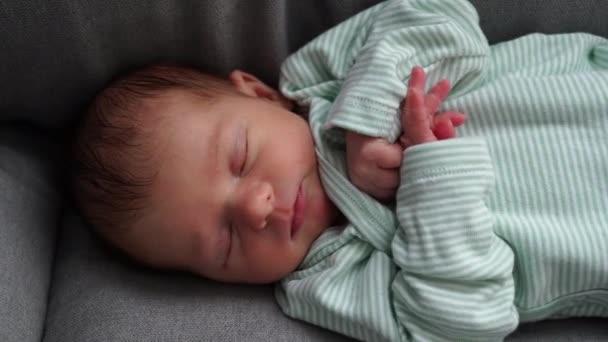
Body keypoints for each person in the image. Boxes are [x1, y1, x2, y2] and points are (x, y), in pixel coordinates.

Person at [71, 0, 608, 340]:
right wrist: (434, 175)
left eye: (239, 159)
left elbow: (440, 16)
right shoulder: (327, 283)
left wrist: (367, 125)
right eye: (225, 243)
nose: (256, 208)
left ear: (258, 93)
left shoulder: (320, 79)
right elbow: (462, 322)